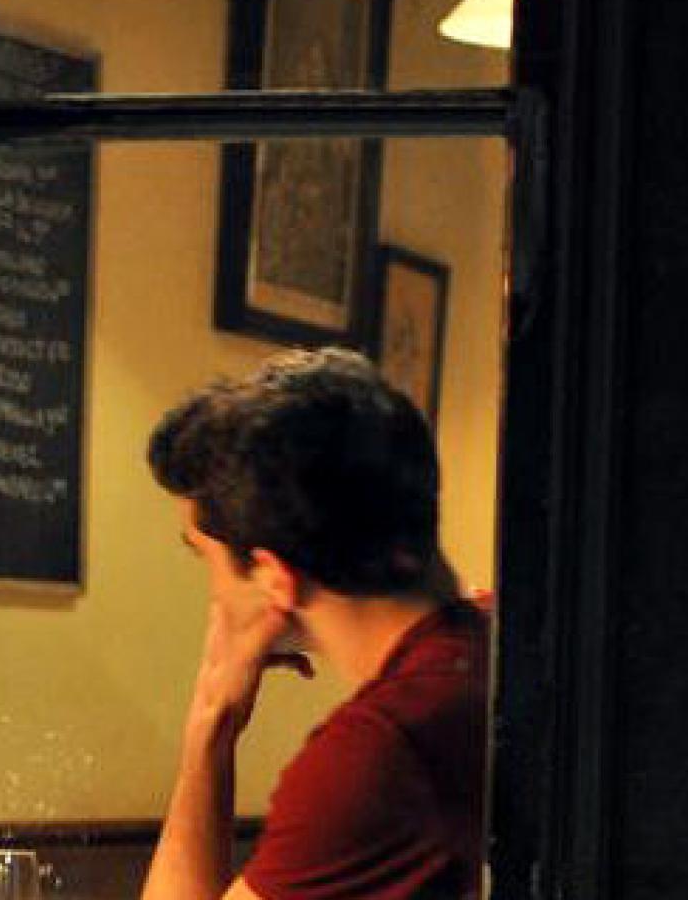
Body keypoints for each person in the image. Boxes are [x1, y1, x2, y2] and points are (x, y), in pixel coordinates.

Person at [140, 348, 489, 900]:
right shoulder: (488, 654)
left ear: (274, 578)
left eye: (205, 559)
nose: (214, 594)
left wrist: (212, 720)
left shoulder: (378, 751)